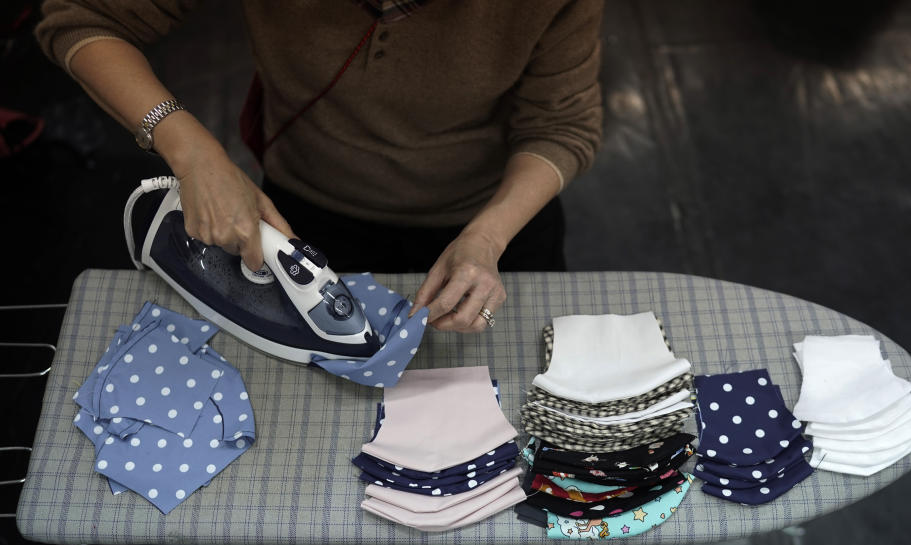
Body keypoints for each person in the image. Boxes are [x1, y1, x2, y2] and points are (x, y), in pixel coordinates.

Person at [36, 0, 603, 332]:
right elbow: (83, 18)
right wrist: (192, 151)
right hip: (304, 213)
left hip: (494, 223)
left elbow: (561, 125)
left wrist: (487, 237)